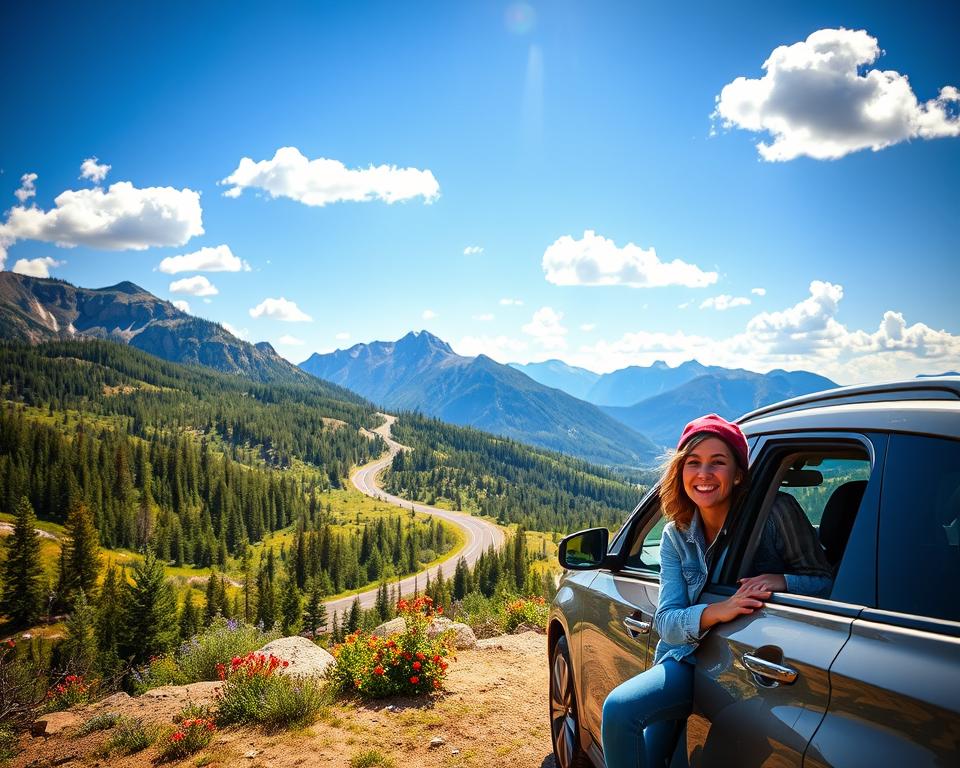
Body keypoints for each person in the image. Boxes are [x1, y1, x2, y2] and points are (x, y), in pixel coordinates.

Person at [600, 413, 829, 768]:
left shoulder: (775, 513)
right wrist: (719, 610)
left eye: (717, 463)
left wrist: (783, 581)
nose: (703, 474)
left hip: (738, 666)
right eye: (693, 463)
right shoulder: (675, 534)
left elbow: (826, 582)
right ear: (680, 472)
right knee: (620, 711)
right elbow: (668, 622)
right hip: (686, 661)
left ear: (738, 474)